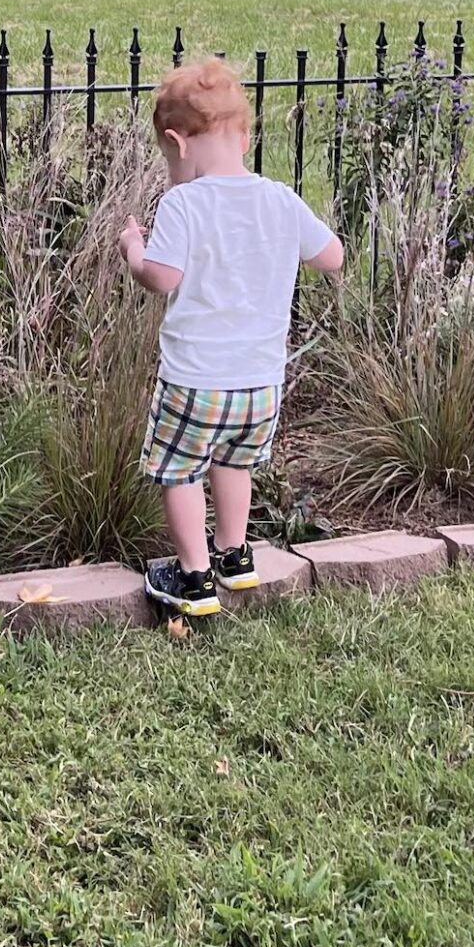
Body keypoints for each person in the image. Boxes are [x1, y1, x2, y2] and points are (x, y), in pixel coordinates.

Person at [122, 56, 344, 619]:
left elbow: (161, 279)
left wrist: (135, 255)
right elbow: (332, 257)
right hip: (260, 386)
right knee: (233, 463)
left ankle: (194, 580)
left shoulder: (182, 204)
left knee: (180, 472)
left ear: (177, 140)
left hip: (194, 382)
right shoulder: (280, 199)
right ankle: (235, 555)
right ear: (244, 134)